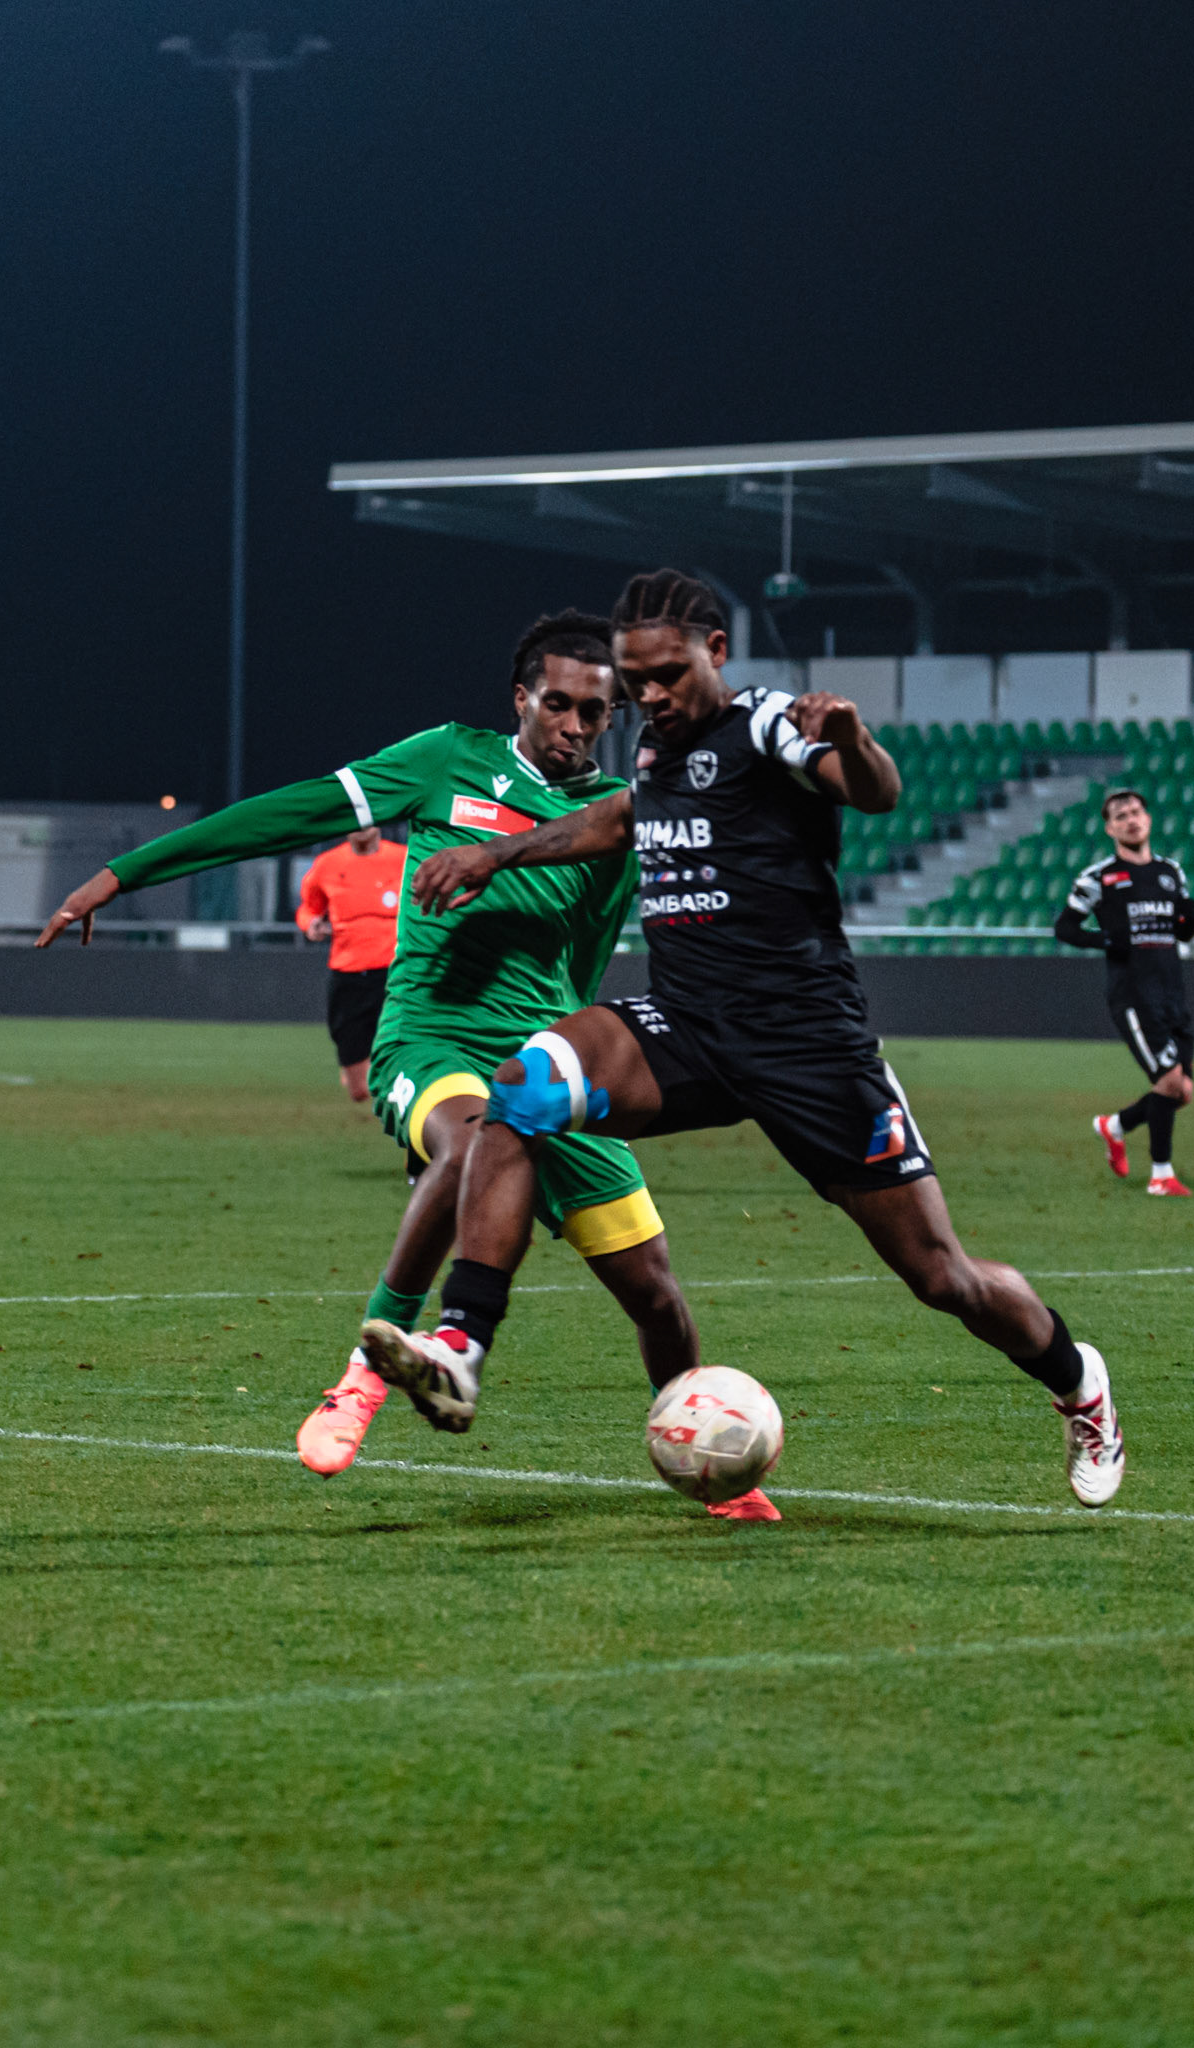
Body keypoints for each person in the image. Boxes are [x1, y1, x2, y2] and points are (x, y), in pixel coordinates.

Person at [370, 569, 1126, 1511]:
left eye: (662, 675)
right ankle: (463, 1345)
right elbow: (620, 818)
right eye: (632, 679)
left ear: (714, 654)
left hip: (810, 1051)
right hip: (684, 1026)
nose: (645, 695)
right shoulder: (655, 747)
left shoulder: (765, 725)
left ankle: (1075, 1380)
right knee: (519, 1091)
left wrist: (847, 733)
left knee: (942, 1277)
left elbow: (871, 790)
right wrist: (496, 851)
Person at [35, 612, 767, 1513]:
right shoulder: (444, 761)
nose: (577, 726)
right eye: (560, 704)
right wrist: (124, 872)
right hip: (431, 1037)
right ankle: (362, 1380)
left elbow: (584, 958)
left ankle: (711, 1474)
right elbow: (293, 810)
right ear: (520, 698)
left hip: (544, 1056)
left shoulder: (612, 814)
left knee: (655, 1296)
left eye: (596, 711)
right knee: (465, 1149)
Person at [1054, 788, 1194, 1197]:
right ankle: (1161, 1176)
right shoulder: (1098, 877)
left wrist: (1191, 921)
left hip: (1173, 992)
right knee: (1171, 1083)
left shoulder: (1171, 872)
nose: (1131, 819)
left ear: (1148, 819)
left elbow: (1182, 930)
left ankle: (1114, 1126)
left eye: (1136, 812)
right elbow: (1064, 928)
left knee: (1181, 1092)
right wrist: (1105, 940)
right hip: (1133, 996)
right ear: (1109, 828)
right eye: (1121, 816)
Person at [295, 824, 408, 1103]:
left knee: (402, 1057)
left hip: (396, 976)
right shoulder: (327, 865)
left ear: (379, 822)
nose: (359, 825)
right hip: (349, 976)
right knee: (359, 1092)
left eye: (365, 818)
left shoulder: (406, 858)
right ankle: (358, 1071)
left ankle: (402, 1108)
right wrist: (311, 924)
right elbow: (308, 907)